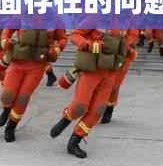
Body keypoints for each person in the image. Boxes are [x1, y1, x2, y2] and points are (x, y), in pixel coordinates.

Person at [49, 27, 133, 158]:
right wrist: (88, 44)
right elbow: (75, 35)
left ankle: (74, 142)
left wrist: (129, 53)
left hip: (109, 73)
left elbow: (121, 44)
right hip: (91, 71)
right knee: (80, 106)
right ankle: (66, 119)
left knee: (97, 111)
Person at [0, 25, 67, 142]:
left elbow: (62, 38)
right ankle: (7, 109)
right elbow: (8, 29)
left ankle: (11, 127)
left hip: (37, 66)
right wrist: (5, 40)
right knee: (8, 94)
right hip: (18, 61)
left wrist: (57, 48)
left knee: (23, 98)